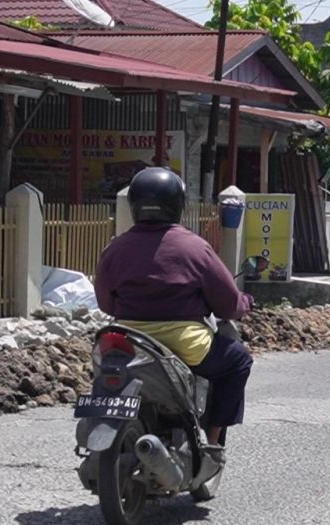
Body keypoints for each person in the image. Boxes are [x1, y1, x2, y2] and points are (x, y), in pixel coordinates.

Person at [94, 167, 253, 461]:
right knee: (239, 360)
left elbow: (106, 304)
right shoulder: (194, 247)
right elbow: (227, 305)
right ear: (177, 204)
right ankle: (213, 443)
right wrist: (245, 302)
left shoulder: (115, 248)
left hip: (128, 341)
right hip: (187, 345)